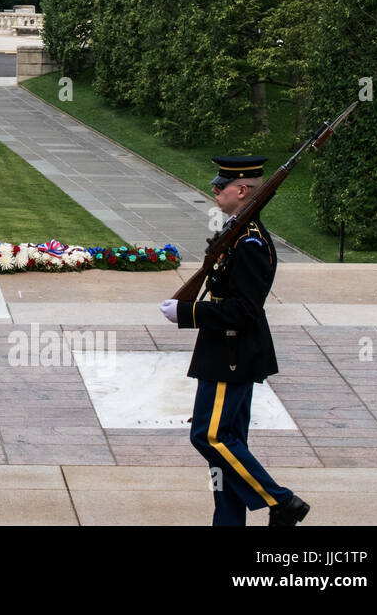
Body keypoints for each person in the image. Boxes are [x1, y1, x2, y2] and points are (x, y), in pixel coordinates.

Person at [159, 155, 310, 527]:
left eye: (221, 185)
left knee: (209, 438)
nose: (214, 189)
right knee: (227, 445)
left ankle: (281, 501)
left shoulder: (251, 243)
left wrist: (188, 314)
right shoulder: (237, 233)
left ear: (242, 191)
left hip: (233, 353)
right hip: (222, 350)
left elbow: (244, 310)